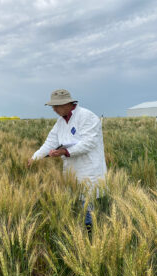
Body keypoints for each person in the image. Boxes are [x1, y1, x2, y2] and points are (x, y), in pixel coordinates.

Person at [28, 89, 107, 232]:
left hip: (89, 168)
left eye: (56, 106)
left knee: (88, 205)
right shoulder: (60, 122)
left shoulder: (87, 117)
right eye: (53, 106)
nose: (54, 109)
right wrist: (35, 157)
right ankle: (82, 234)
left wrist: (65, 151)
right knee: (76, 203)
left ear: (68, 103)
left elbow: (89, 143)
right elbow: (50, 142)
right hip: (72, 170)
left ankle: (91, 235)